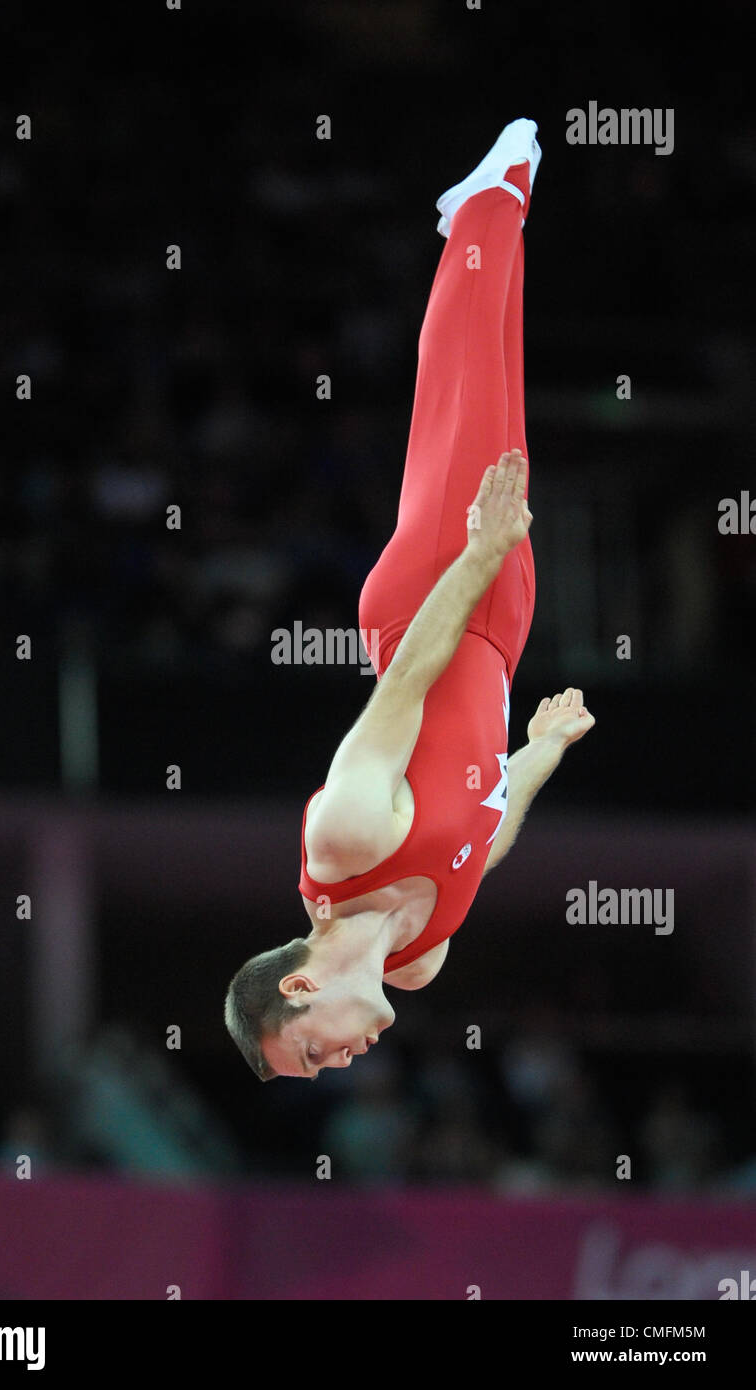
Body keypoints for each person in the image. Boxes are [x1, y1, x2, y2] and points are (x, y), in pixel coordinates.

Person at [226, 119, 595, 1081]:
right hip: (500, 631)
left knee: (461, 385)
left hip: (435, 599)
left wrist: (472, 559)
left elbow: (406, 687)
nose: (344, 1059)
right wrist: (539, 757)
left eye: (315, 1053)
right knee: (505, 401)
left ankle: (486, 197)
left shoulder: (342, 839)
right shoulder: (420, 960)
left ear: (299, 989)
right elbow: (478, 838)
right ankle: (489, 215)